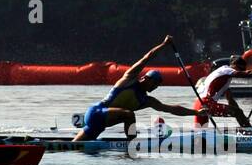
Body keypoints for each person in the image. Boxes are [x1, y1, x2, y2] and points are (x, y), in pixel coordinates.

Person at [72, 35, 201, 141]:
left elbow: (171, 109)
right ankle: (132, 144)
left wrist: (196, 112)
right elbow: (148, 57)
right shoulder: (129, 79)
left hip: (101, 122)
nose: (155, 87)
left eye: (157, 86)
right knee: (129, 115)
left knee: (75, 146)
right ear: (145, 78)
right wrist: (164, 45)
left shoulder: (147, 100)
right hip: (96, 113)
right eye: (154, 83)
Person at [192, 54, 252, 128]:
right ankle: (250, 131)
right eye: (240, 69)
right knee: (237, 112)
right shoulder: (226, 70)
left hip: (200, 104)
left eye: (243, 70)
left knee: (201, 133)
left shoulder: (223, 77)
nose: (241, 71)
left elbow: (230, 100)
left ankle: (247, 130)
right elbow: (247, 73)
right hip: (205, 103)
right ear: (233, 64)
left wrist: (242, 117)